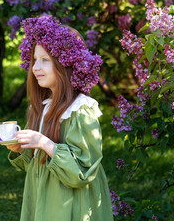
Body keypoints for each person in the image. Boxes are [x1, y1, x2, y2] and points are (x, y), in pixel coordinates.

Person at [6, 15, 113, 221]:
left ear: (67, 64)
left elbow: (83, 171)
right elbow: (34, 166)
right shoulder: (42, 107)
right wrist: (21, 148)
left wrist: (45, 143)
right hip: (43, 197)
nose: (36, 67)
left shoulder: (80, 110)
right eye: (34, 60)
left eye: (45, 60)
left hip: (70, 203)